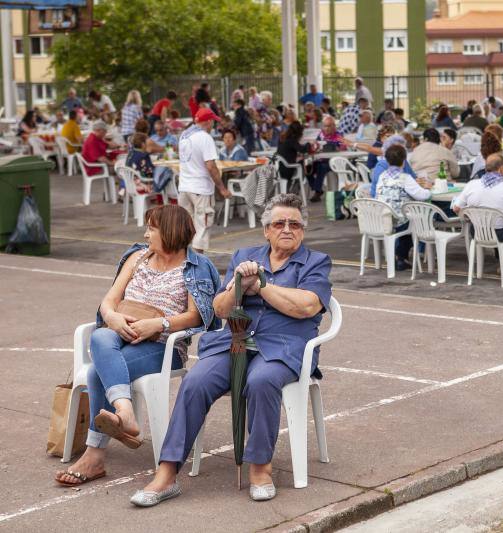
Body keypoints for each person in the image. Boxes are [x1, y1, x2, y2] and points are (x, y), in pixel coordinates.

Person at [130, 194, 331, 506]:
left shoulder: (316, 262)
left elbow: (305, 306)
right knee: (195, 382)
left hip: (283, 348)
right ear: (267, 230)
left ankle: (260, 468)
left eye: (295, 224)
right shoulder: (244, 255)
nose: (287, 229)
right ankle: (167, 474)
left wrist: (261, 285)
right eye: (279, 223)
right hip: (233, 342)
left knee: (261, 381)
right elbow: (220, 310)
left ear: (303, 231)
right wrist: (238, 283)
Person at [55, 205, 220, 488]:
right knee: (100, 336)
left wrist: (160, 325)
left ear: (169, 231)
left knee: (97, 373)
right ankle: (125, 412)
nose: (145, 234)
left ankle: (95, 455)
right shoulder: (136, 257)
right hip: (120, 335)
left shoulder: (197, 267)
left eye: (151, 229)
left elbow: (198, 317)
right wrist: (113, 317)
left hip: (163, 348)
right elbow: (109, 301)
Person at [453, 153, 503, 271]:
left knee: (501, 224)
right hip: (501, 235)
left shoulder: (472, 185)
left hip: (476, 232)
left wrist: (470, 216)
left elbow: (456, 208)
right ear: (502, 168)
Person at [177, 108, 232, 254]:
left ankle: (181, 260)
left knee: (184, 226)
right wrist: (222, 188)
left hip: (184, 186)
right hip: (200, 188)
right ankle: (197, 264)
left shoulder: (184, 135)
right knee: (202, 227)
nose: (213, 124)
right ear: (208, 121)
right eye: (212, 121)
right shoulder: (205, 137)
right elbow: (211, 166)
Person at [376, 145, 432, 271]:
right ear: (404, 160)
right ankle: (400, 256)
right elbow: (422, 195)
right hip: (399, 219)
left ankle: (401, 258)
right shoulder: (405, 178)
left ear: (387, 159)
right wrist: (429, 189)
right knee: (418, 223)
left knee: (407, 223)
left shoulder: (382, 176)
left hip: (383, 217)